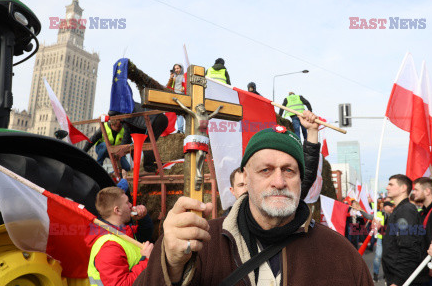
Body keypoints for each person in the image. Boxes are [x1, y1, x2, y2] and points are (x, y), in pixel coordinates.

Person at [134, 112, 373, 286]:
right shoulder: (203, 243)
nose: (279, 182)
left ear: (302, 179)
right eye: (265, 170)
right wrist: (171, 265)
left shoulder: (340, 254)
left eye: (289, 170)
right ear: (245, 179)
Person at [86, 187, 154, 286]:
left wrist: (143, 219)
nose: (131, 205)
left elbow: (144, 235)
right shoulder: (109, 247)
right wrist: (147, 261)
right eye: (127, 203)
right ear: (117, 210)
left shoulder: (122, 231)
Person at [382, 174, 428, 286]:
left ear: (403, 188)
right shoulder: (400, 210)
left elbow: (410, 248)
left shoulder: (406, 211)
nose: (387, 187)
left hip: (404, 280)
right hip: (398, 277)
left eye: (391, 184)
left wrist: (397, 281)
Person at [167, 64, 186, 133]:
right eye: (175, 69)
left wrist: (183, 89)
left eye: (177, 68)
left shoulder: (184, 76)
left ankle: (181, 129)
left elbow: (186, 85)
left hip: (183, 96)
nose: (176, 70)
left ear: (181, 68)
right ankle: (180, 129)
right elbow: (168, 86)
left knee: (182, 114)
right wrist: (171, 78)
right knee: (178, 114)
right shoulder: (174, 77)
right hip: (175, 96)